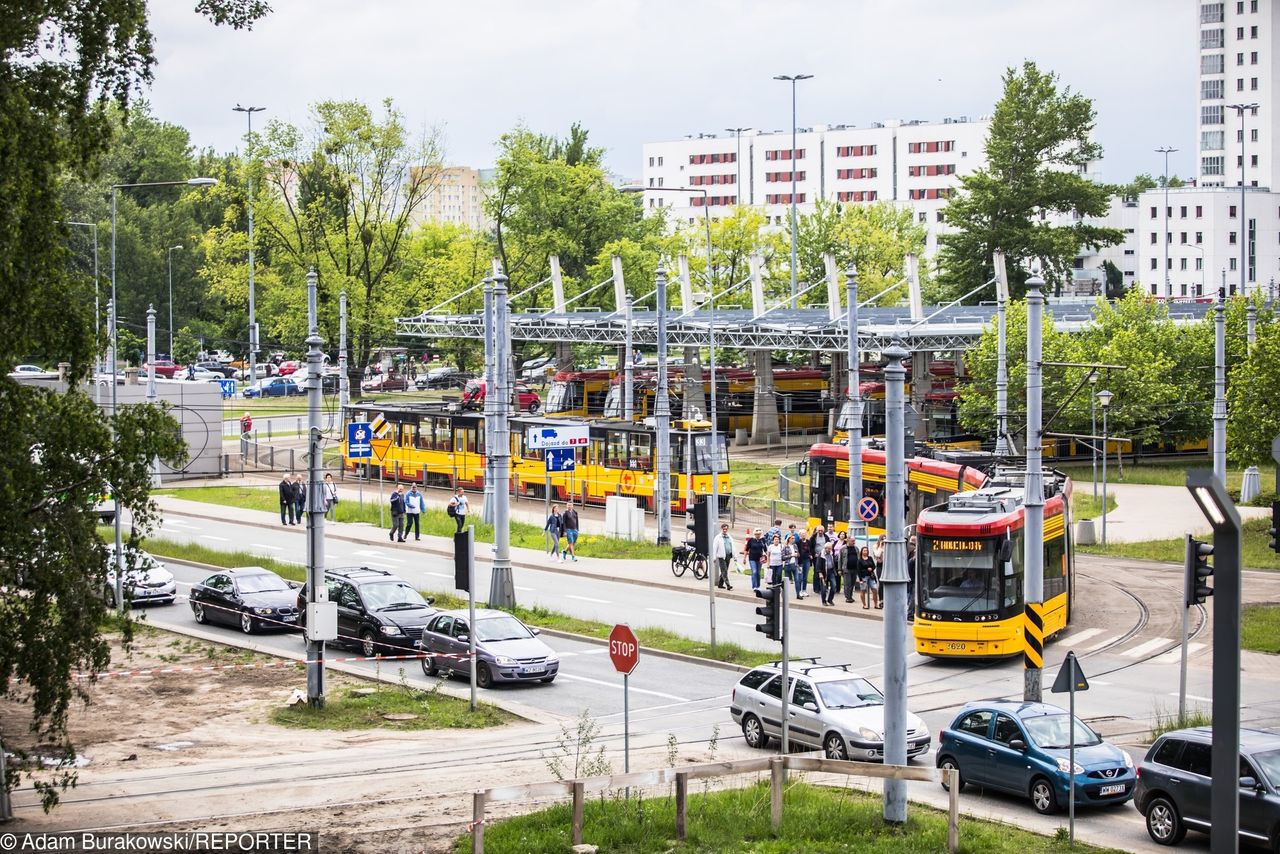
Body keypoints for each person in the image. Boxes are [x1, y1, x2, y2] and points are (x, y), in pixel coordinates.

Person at [711, 523, 735, 590]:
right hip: (721, 556)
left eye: (726, 529)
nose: (725, 530)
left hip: (728, 555)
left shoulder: (729, 537)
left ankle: (720, 584)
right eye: (724, 529)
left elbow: (732, 546)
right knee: (724, 571)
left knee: (724, 570)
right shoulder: (718, 537)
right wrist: (714, 557)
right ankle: (728, 585)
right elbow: (714, 547)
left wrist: (734, 555)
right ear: (721, 529)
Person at [809, 526, 829, 603]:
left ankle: (823, 587)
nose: (820, 532)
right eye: (819, 530)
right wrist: (812, 554)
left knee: (824, 571)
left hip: (824, 556)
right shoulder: (813, 537)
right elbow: (810, 547)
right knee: (817, 572)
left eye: (821, 530)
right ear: (817, 531)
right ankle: (816, 588)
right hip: (816, 556)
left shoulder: (826, 537)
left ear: (823, 531)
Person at [792, 524, 811, 599]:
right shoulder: (797, 542)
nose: (803, 535)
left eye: (804, 534)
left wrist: (810, 555)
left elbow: (810, 550)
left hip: (807, 560)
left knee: (805, 577)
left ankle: (804, 590)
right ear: (799, 535)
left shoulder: (809, 542)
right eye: (802, 534)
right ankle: (799, 590)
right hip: (800, 562)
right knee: (800, 576)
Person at [840, 531, 858, 603]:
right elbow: (840, 559)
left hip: (855, 569)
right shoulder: (843, 548)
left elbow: (858, 558)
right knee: (847, 583)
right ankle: (848, 597)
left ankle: (850, 595)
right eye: (852, 541)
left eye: (854, 541)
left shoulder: (856, 548)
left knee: (852, 583)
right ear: (848, 540)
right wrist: (839, 569)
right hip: (846, 569)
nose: (854, 542)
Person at [872, 533, 887, 609]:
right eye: (882, 539)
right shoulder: (876, 546)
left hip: (887, 565)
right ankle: (881, 600)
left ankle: (886, 599)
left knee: (887, 583)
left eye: (885, 539)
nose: (883, 540)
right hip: (880, 566)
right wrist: (881, 546)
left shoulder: (888, 546)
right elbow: (877, 555)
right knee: (881, 583)